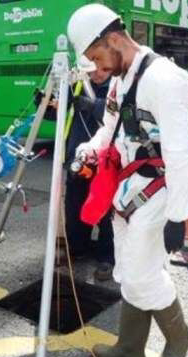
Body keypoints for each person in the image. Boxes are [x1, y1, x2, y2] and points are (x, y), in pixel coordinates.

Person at [67, 4, 188, 357]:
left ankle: (179, 338)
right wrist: (87, 150)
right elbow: (108, 131)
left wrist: (179, 215)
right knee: (128, 270)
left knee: (143, 275)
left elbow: (179, 150)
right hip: (126, 192)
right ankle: (129, 348)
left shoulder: (165, 80)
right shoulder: (121, 80)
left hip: (158, 193)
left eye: (96, 57)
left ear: (113, 39)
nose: (95, 67)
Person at [36, 57, 115, 281]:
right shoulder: (78, 83)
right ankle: (77, 248)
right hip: (77, 158)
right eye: (93, 69)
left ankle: (107, 258)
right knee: (74, 208)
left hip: (107, 161)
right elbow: (57, 113)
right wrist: (44, 103)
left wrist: (95, 106)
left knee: (106, 214)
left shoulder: (118, 85)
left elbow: (120, 117)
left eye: (103, 68)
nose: (97, 73)